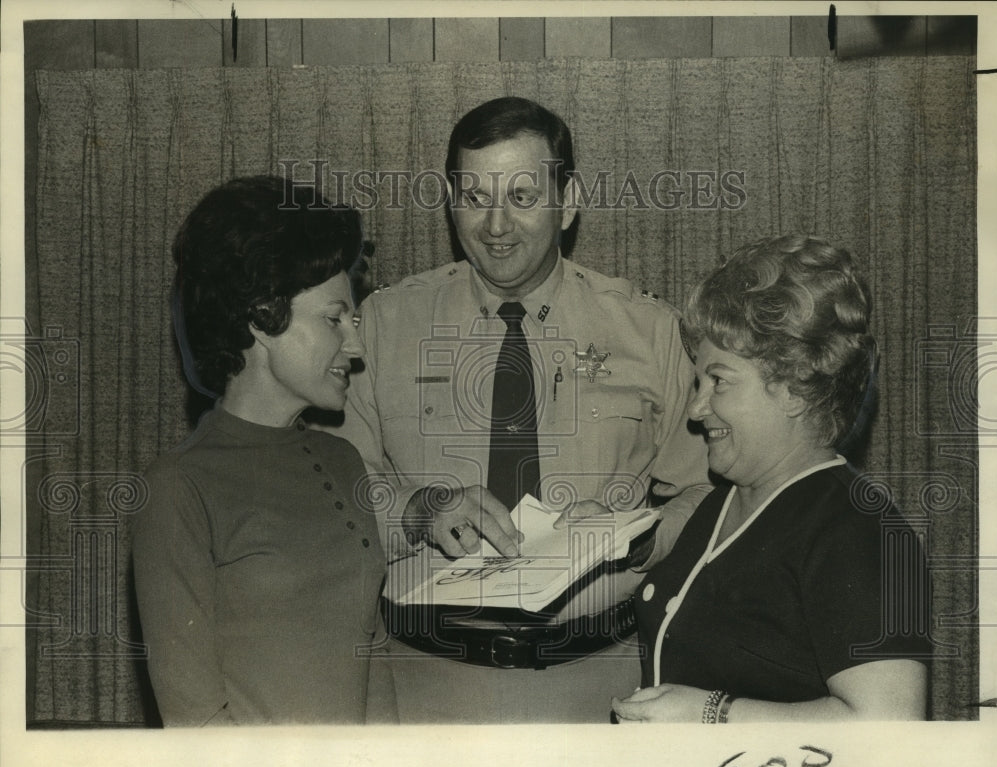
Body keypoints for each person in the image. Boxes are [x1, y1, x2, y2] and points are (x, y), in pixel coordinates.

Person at [333, 96, 712, 723]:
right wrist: (420, 510)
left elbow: (708, 493)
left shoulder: (650, 332)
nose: (496, 226)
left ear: (568, 202)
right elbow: (332, 497)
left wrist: (638, 540)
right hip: (421, 683)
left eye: (523, 197)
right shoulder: (378, 327)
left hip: (597, 684)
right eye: (475, 198)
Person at [613, 235, 931, 723]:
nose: (696, 409)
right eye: (698, 382)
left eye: (718, 381)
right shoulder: (720, 502)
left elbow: (890, 725)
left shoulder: (858, 530)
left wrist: (711, 716)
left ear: (794, 387)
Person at [131, 175, 390, 726]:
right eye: (334, 319)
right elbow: (197, 728)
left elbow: (376, 666)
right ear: (263, 316)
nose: (356, 345)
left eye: (355, 321)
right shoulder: (178, 486)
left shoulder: (343, 463)